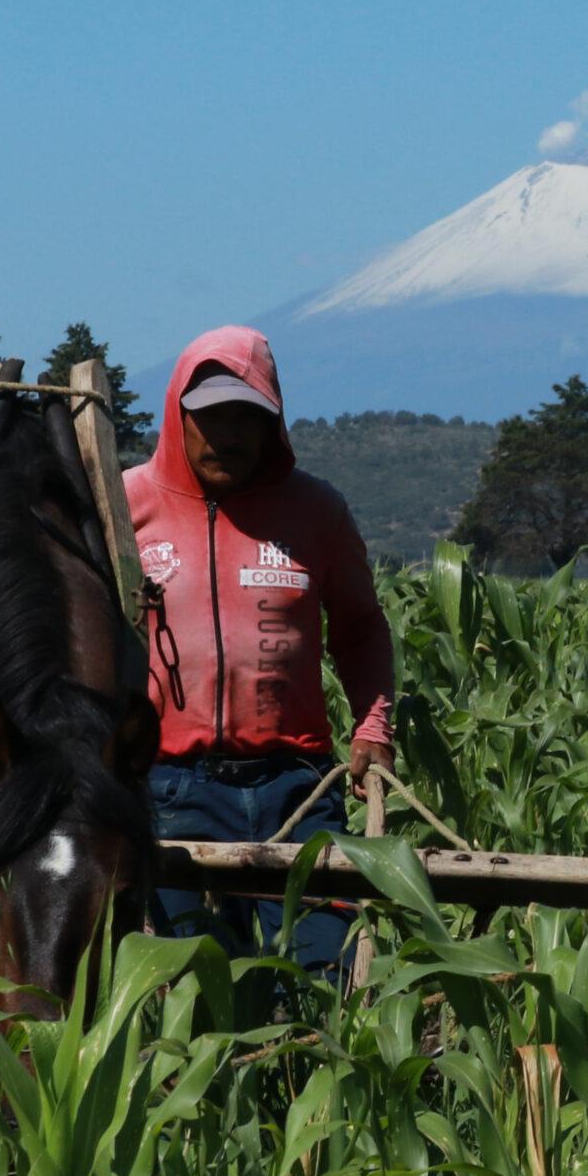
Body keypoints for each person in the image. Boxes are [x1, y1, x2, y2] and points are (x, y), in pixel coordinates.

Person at [125, 326, 394, 974]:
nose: (228, 435)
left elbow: (360, 626)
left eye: (247, 416)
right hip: (168, 789)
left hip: (296, 789)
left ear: (273, 422)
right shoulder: (125, 506)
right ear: (177, 414)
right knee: (182, 991)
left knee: (317, 981)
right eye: (211, 416)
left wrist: (374, 725)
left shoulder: (316, 511)